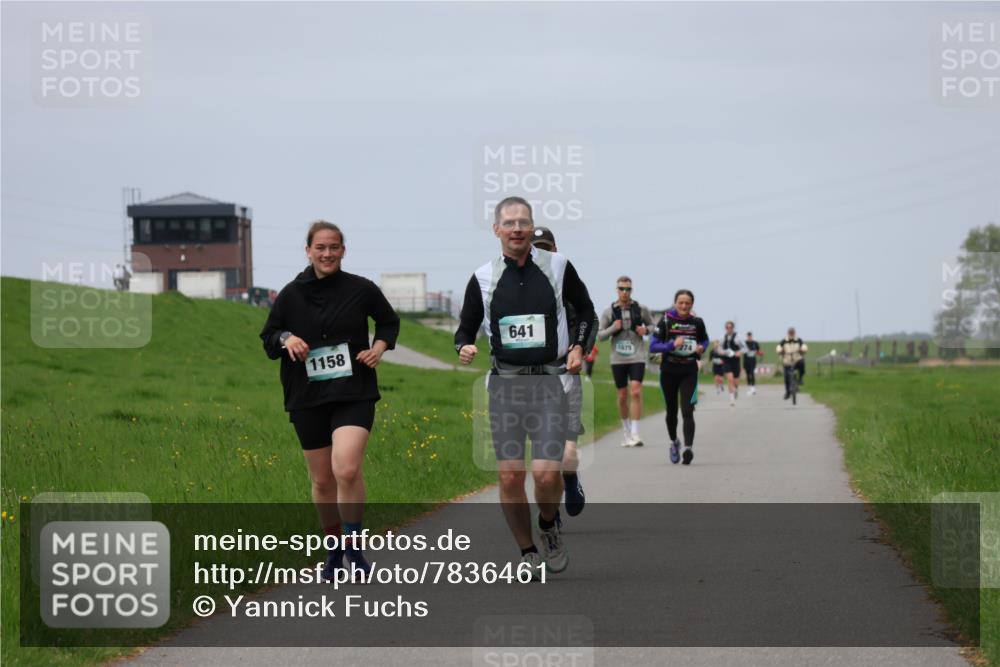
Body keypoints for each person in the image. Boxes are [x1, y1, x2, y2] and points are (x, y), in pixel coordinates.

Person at [455, 197, 595, 577]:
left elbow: (586, 311)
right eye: (509, 222)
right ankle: (527, 551)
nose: (517, 228)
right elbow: (465, 327)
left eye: (523, 222)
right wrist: (464, 345)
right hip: (505, 387)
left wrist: (579, 345)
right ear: (496, 229)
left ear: (531, 228)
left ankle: (548, 526)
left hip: (549, 384)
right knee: (509, 475)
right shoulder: (482, 277)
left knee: (548, 475)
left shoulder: (558, 266)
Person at [260, 221, 400, 581]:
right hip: (307, 396)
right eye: (320, 247)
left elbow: (388, 322)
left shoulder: (361, 289)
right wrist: (286, 338)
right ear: (308, 251)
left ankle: (354, 546)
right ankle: (334, 548)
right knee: (322, 481)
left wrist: (379, 349)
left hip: (353, 391)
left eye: (334, 247)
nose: (327, 254)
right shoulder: (290, 294)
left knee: (347, 469)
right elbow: (269, 338)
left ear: (343, 250)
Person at [530, 226, 598, 519]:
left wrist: (579, 348)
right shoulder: (519, 287)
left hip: (565, 375)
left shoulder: (566, 279)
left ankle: (570, 480)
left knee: (567, 453)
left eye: (547, 247)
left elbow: (588, 316)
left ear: (555, 249)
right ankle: (550, 512)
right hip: (530, 381)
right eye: (537, 248)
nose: (542, 253)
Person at [649, 290, 709, 465]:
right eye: (680, 302)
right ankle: (674, 441)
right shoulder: (666, 321)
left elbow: (705, 340)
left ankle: (688, 448)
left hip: (689, 371)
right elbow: (653, 346)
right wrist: (671, 344)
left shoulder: (697, 322)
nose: (684, 306)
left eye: (687, 303)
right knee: (672, 411)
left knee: (688, 410)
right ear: (675, 303)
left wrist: (701, 348)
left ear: (692, 305)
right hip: (668, 371)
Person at [597, 276, 653, 446]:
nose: (624, 292)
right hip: (618, 359)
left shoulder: (641, 309)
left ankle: (636, 433)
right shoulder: (609, 311)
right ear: (617, 290)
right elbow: (600, 336)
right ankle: (626, 431)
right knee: (622, 396)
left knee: (635, 391)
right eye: (621, 289)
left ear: (631, 290)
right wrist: (614, 327)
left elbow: (652, 327)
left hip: (637, 356)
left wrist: (645, 330)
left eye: (628, 289)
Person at [776, 327, 808, 399]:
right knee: (786, 378)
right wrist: (780, 351)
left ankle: (800, 379)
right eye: (790, 333)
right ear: (788, 333)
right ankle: (787, 392)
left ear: (795, 333)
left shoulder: (799, 340)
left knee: (802, 363)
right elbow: (778, 347)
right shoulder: (784, 341)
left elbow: (804, 346)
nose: (791, 334)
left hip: (797, 359)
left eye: (792, 333)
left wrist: (802, 349)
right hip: (787, 361)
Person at [720, 321, 744, 406]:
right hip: (727, 360)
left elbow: (744, 348)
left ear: (733, 328)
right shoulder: (723, 337)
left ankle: (736, 389)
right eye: (727, 327)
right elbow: (719, 348)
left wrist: (739, 353)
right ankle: (732, 399)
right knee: (730, 379)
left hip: (735, 361)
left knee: (736, 381)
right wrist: (722, 352)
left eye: (730, 327)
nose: (729, 329)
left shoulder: (738, 337)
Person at [743, 331, 762, 395]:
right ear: (747, 337)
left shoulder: (755, 343)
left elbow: (758, 351)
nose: (749, 337)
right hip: (746, 361)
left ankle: (753, 389)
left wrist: (760, 353)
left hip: (753, 361)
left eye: (750, 336)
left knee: (752, 373)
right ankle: (749, 388)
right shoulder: (744, 343)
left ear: (752, 336)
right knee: (748, 374)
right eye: (748, 336)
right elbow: (741, 350)